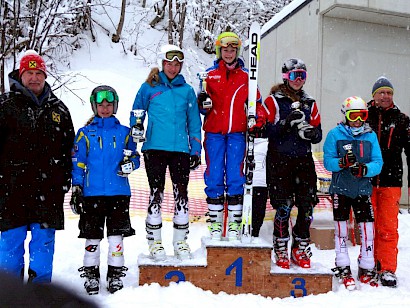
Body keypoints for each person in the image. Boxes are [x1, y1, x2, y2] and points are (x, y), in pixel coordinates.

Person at [0, 50, 74, 283]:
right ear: (20, 76)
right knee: (11, 247)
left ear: (45, 75)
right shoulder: (5, 105)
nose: (34, 78)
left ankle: (39, 298)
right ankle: (9, 297)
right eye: (29, 73)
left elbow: (69, 148)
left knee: (43, 246)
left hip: (47, 190)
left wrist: (65, 180)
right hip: (11, 189)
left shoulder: (58, 109)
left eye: (38, 73)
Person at [130, 44, 202, 261]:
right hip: (154, 148)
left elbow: (194, 122)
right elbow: (136, 113)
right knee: (155, 193)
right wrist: (137, 129)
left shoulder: (187, 90)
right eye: (170, 63)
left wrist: (195, 148)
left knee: (182, 195)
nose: (173, 68)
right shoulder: (149, 87)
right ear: (162, 64)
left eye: (177, 64)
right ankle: (155, 242)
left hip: (180, 149)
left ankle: (180, 241)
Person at [70, 85, 139, 295]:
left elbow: (135, 157)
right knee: (92, 235)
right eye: (101, 105)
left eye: (109, 104)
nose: (105, 108)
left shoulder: (125, 132)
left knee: (116, 236)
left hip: (119, 193)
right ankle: (91, 273)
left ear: (115, 106)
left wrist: (131, 165)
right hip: (92, 194)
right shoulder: (85, 133)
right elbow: (78, 162)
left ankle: (115, 273)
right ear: (94, 106)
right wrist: (77, 187)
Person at [197, 31, 263, 241]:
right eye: (225, 49)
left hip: (236, 132)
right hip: (214, 132)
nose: (228, 53)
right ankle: (216, 223)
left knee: (235, 174)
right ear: (219, 51)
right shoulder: (209, 75)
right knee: (214, 174)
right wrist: (203, 104)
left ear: (237, 51)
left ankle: (234, 223)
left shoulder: (247, 76)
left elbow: (257, 104)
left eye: (232, 49)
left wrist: (257, 120)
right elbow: (203, 106)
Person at [263, 58, 322, 269]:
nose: (298, 80)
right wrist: (285, 124)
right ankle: (280, 245)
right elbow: (264, 130)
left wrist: (312, 133)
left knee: (307, 205)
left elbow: (318, 133)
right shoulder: (274, 101)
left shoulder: (310, 102)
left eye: (302, 76)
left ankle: (300, 244)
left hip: (303, 160)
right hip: (280, 159)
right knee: (283, 206)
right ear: (286, 76)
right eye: (295, 75)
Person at [324, 96, 383, 289]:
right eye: (353, 115)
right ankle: (343, 267)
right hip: (341, 190)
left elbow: (378, 162)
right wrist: (342, 163)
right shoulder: (335, 134)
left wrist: (365, 169)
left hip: (362, 189)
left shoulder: (370, 136)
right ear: (345, 115)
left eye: (362, 115)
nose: (358, 120)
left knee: (367, 230)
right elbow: (328, 161)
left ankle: (366, 267)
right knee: (341, 230)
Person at [367, 77, 410, 287]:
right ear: (374, 95)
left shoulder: (402, 120)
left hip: (391, 181)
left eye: (389, 93)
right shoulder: (362, 115)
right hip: (365, 181)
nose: (386, 96)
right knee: (367, 226)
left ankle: (386, 268)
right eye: (381, 92)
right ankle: (367, 264)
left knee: (387, 227)